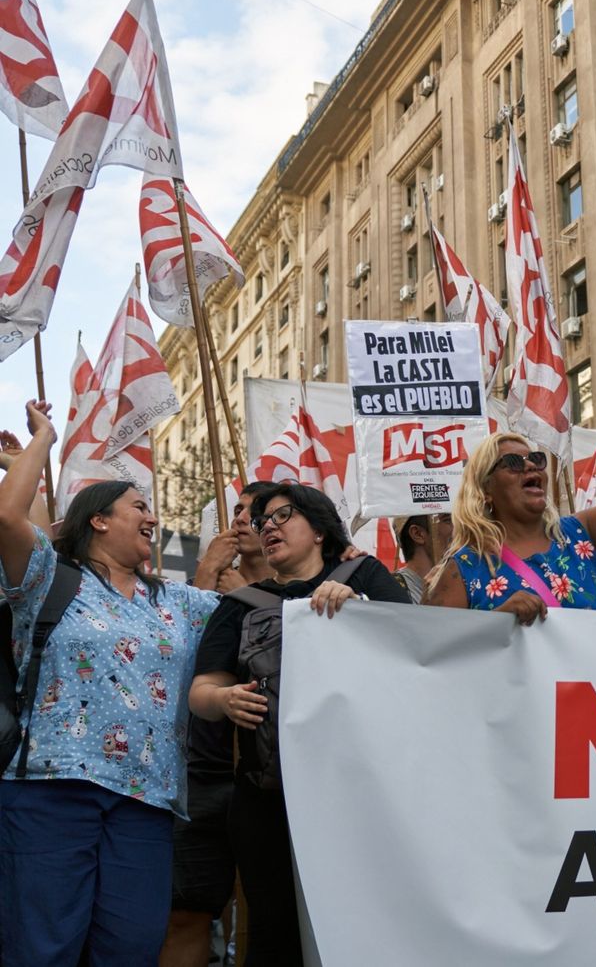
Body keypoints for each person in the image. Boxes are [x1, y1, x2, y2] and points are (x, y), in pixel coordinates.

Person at [0, 401, 233, 964]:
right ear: (99, 520)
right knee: (43, 949)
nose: (152, 517)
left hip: (146, 800)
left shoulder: (181, 602)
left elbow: (260, 618)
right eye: (139, 506)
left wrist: (344, 580)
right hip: (51, 791)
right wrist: (41, 442)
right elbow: (8, 520)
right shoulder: (47, 580)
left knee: (131, 945)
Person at [189, 483, 413, 966]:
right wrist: (223, 700)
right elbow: (201, 692)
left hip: (362, 797)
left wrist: (363, 607)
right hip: (267, 801)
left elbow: (416, 651)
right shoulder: (240, 604)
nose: (267, 525)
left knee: (363, 923)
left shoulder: (365, 575)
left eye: (283, 515)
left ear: (319, 529)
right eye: (261, 520)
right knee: (275, 934)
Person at [427, 364, 596, 614]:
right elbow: (437, 648)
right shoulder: (464, 568)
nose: (531, 466)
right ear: (485, 489)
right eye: (512, 463)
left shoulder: (578, 535)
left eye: (536, 459)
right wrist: (496, 623)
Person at [161, 480, 276, 967]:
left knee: (273, 914)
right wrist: (207, 572)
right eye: (239, 510)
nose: (244, 519)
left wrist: (249, 595)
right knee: (190, 910)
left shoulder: (304, 586)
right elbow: (174, 651)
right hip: (206, 773)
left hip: (272, 780)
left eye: (258, 512)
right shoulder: (209, 584)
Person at [393, 512, 452, 602]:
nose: (459, 528)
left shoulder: (460, 582)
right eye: (448, 520)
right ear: (418, 534)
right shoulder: (393, 592)